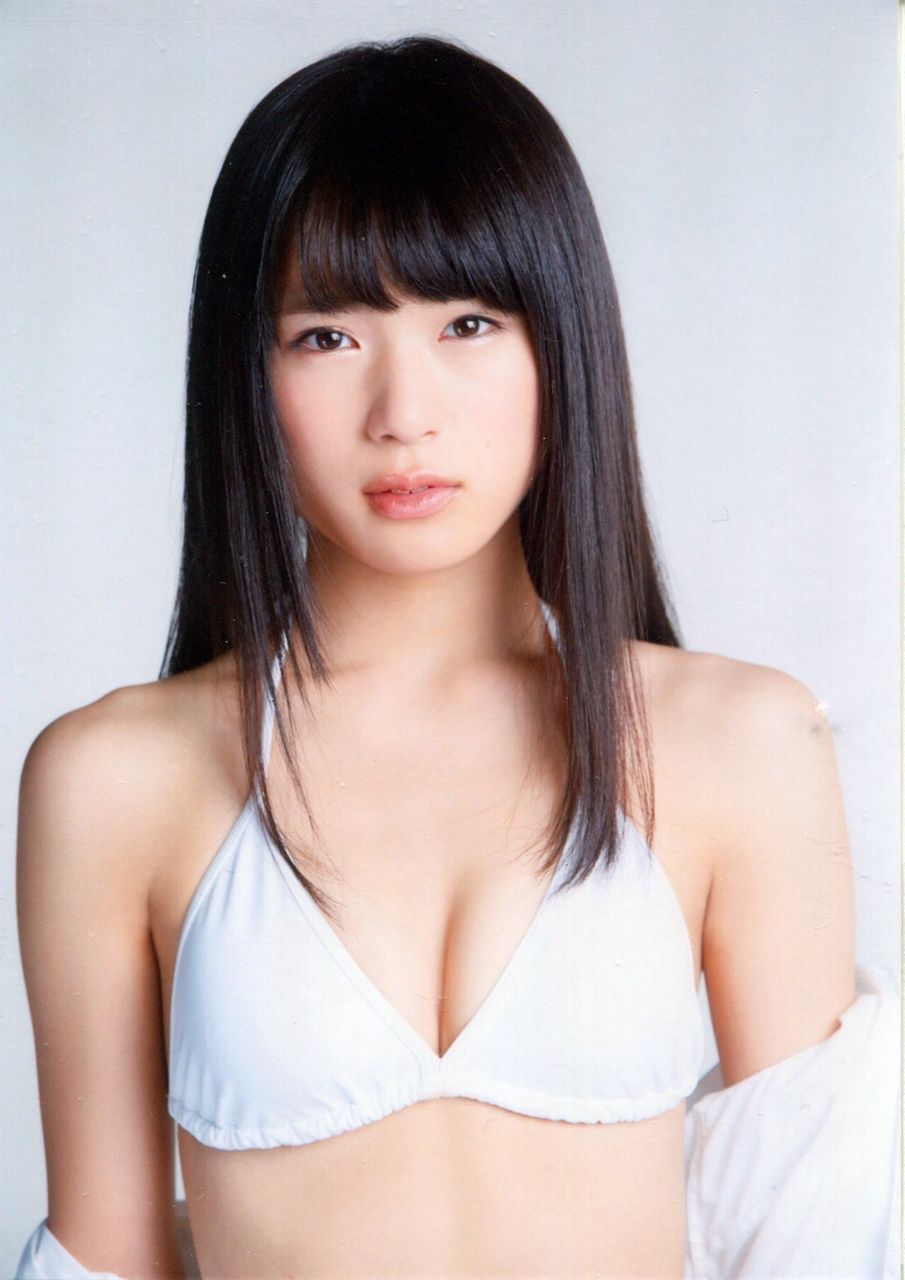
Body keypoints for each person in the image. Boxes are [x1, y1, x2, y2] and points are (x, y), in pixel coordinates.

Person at [14, 33, 899, 1280]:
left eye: (469, 322)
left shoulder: (736, 740)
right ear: (243, 373)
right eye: (325, 336)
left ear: (562, 344)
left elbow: (813, 1236)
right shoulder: (114, 774)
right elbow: (104, 1256)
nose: (404, 414)